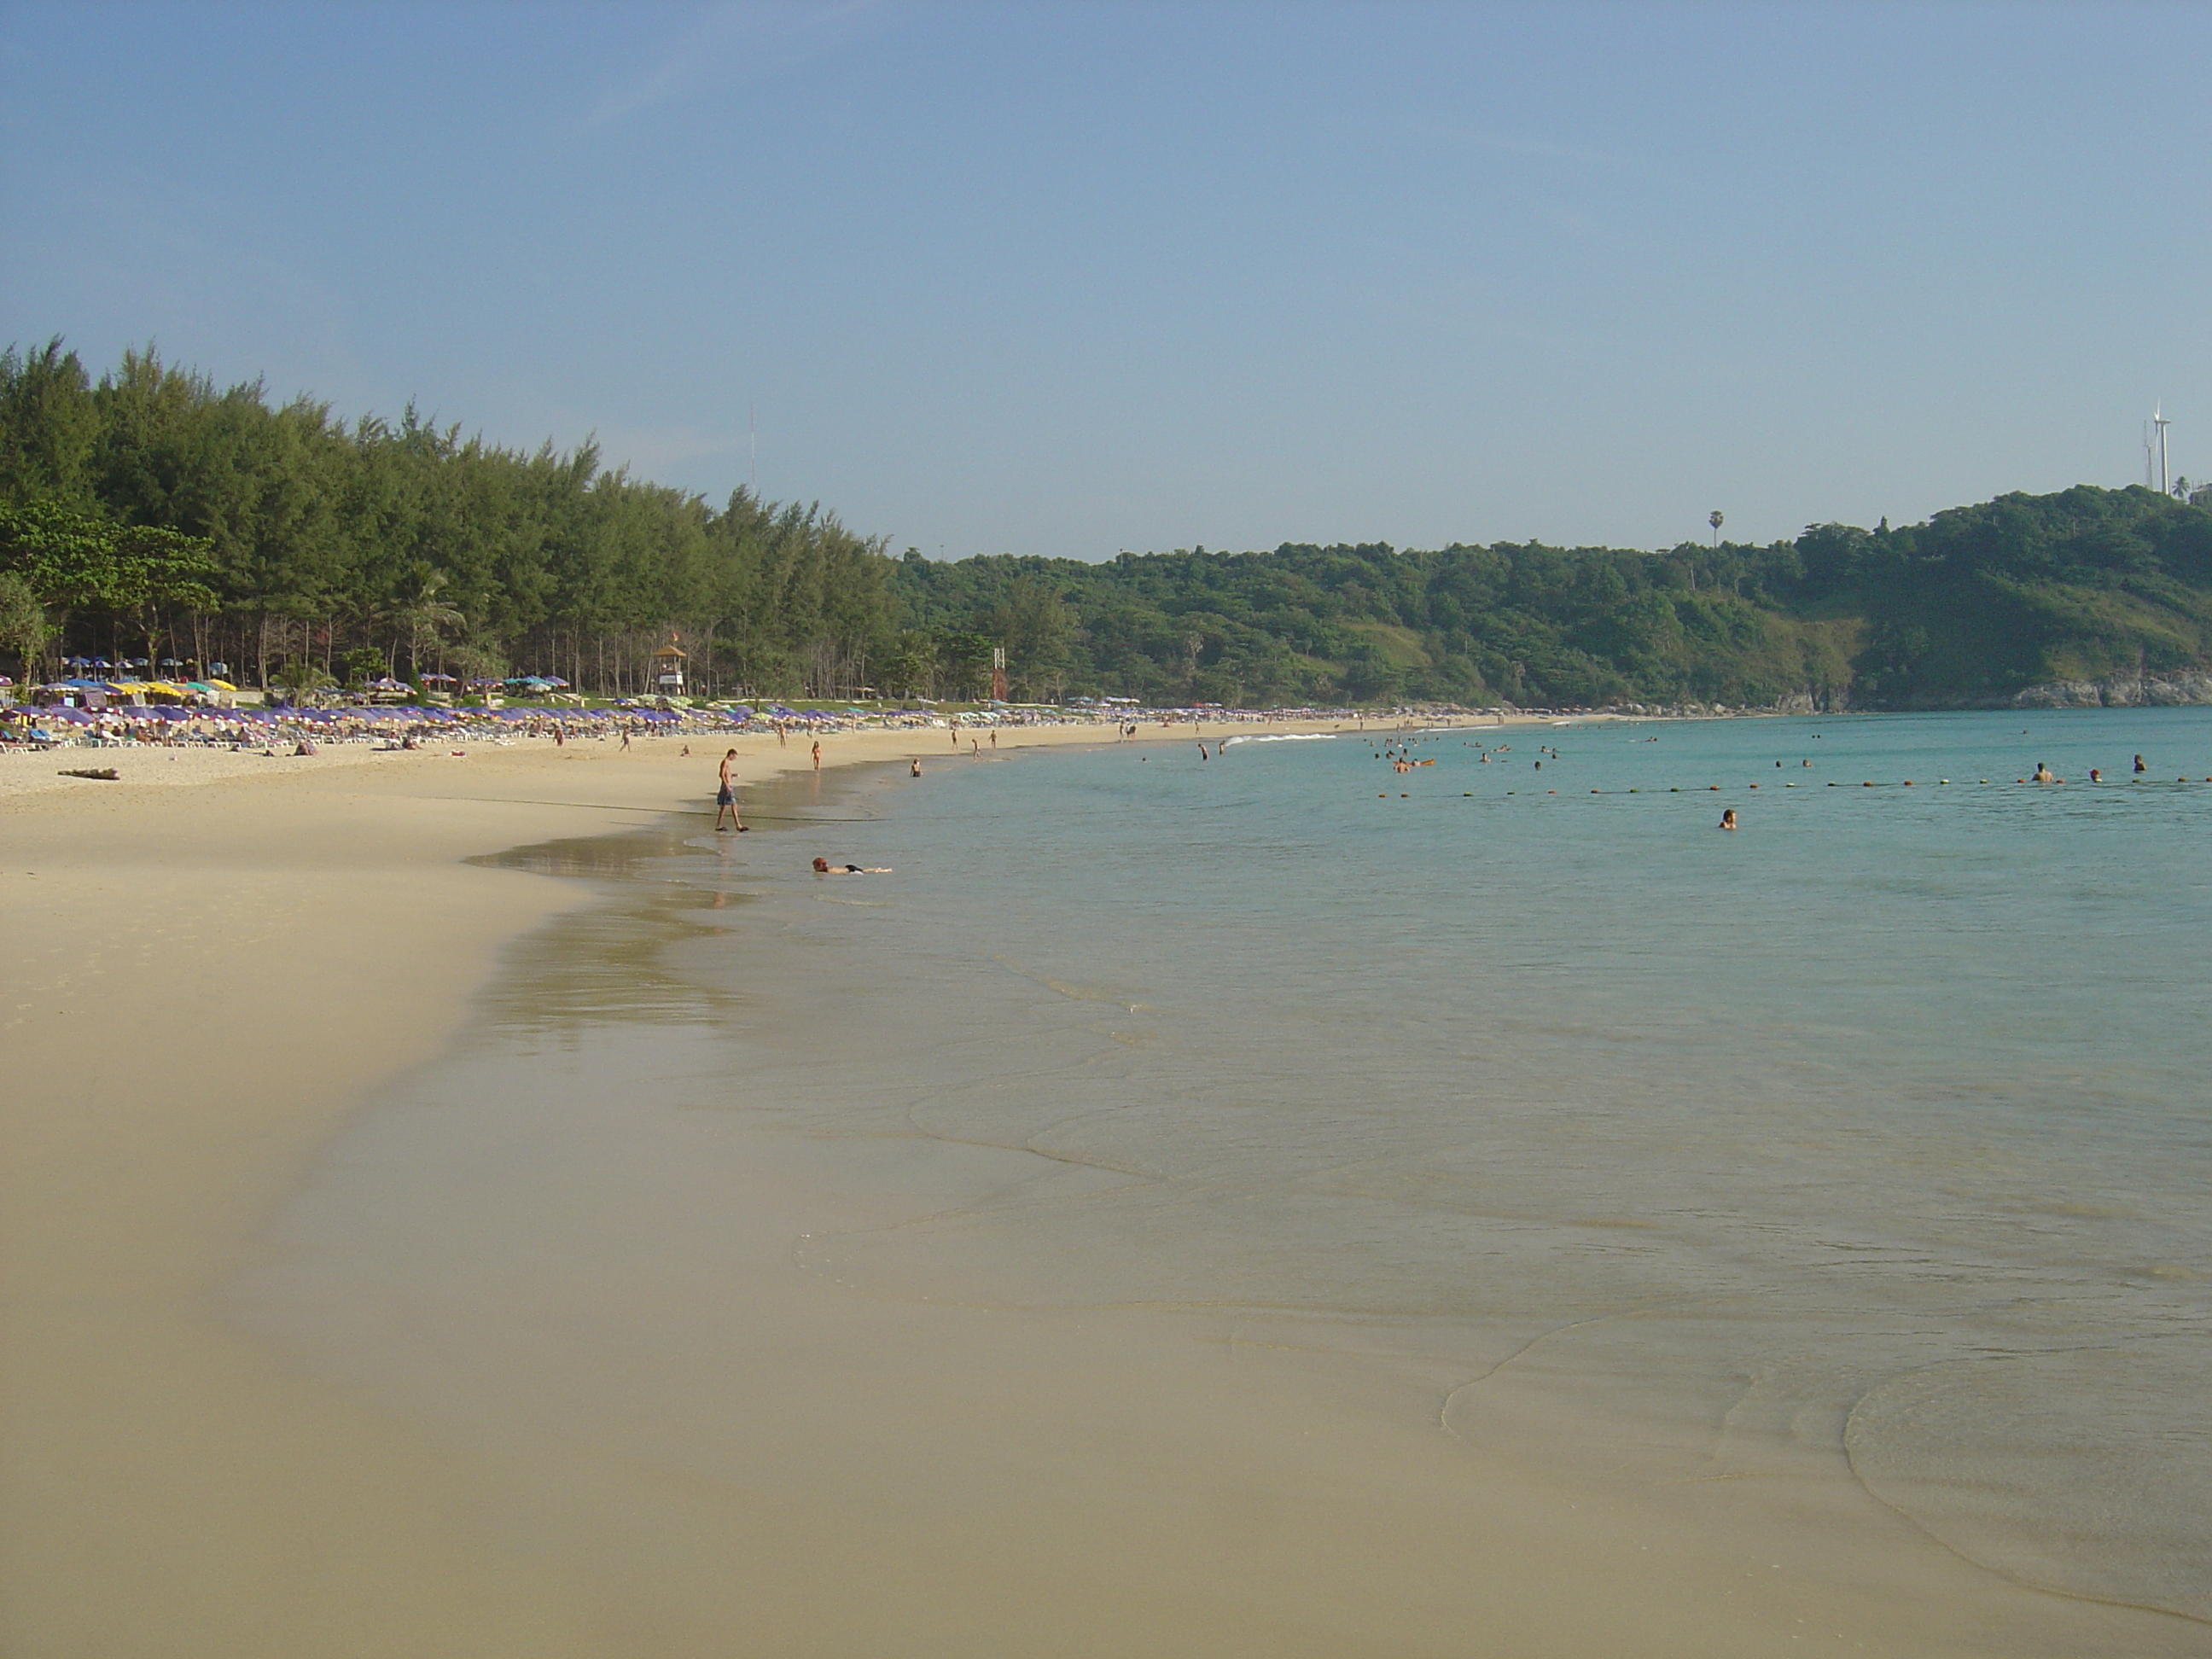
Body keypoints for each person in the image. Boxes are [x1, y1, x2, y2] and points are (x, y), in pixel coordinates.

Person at [716, 749, 748, 831]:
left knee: (724, 806)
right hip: (727, 786)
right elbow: (721, 774)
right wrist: (727, 786)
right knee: (733, 805)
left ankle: (719, 825)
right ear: (731, 754)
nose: (734, 758)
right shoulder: (725, 762)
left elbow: (726, 774)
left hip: (727, 785)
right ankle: (738, 825)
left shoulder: (726, 762)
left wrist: (732, 775)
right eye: (734, 756)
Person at [812, 856, 891, 874]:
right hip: (848, 868)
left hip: (850, 870)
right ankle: (880, 869)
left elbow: (839, 873)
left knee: (865, 871)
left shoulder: (827, 870)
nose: (814, 868)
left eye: (815, 865)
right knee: (865, 870)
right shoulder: (827, 869)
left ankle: (884, 870)